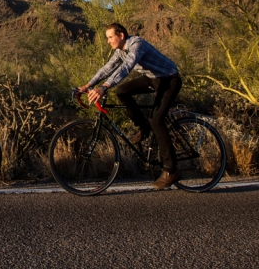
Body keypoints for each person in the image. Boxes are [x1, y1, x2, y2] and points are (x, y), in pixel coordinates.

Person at [78, 22, 182, 189]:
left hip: (169, 79)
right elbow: (107, 68)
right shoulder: (120, 50)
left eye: (110, 37)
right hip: (153, 78)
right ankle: (144, 128)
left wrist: (104, 87)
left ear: (121, 35)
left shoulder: (136, 45)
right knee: (121, 91)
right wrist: (88, 85)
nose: (108, 41)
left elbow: (127, 67)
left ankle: (171, 170)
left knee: (156, 119)